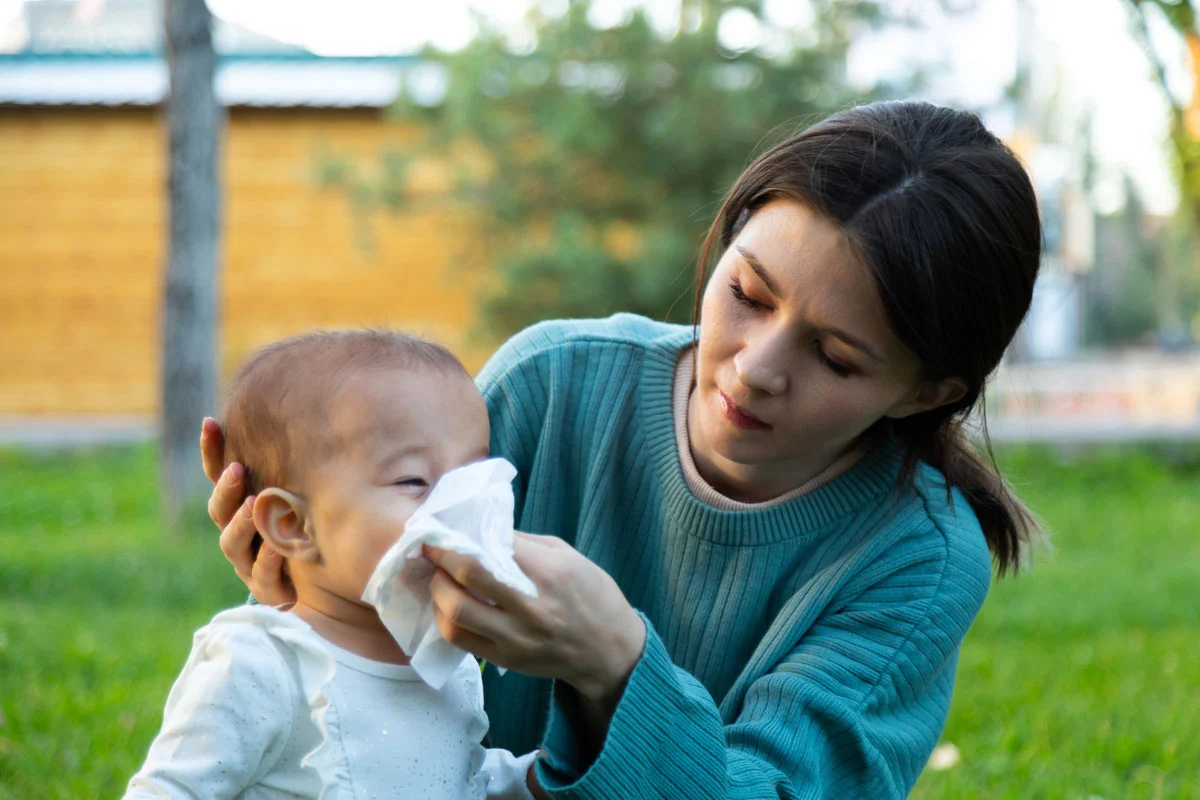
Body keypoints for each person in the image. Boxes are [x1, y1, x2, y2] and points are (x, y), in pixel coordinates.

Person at [202, 101, 1042, 798]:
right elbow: (375, 645)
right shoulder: (554, 381)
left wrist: (615, 664)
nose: (754, 371)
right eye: (748, 293)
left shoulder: (918, 557)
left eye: (834, 358)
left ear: (927, 392)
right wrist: (313, 578)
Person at [127, 330, 540, 800]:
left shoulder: (451, 660)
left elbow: (458, 779)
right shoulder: (263, 664)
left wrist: (536, 779)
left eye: (471, 478)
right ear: (293, 525)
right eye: (413, 480)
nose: (456, 505)